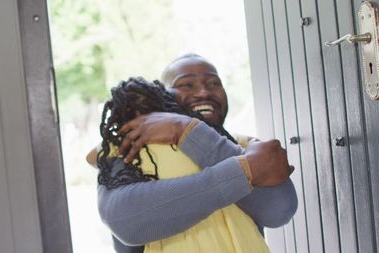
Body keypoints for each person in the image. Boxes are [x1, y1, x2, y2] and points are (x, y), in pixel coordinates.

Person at [88, 54, 297, 253]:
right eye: (186, 84)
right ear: (162, 94)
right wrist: (246, 170)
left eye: (214, 83)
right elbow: (126, 220)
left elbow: (278, 210)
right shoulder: (130, 145)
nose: (204, 92)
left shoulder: (244, 144)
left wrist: (188, 131)